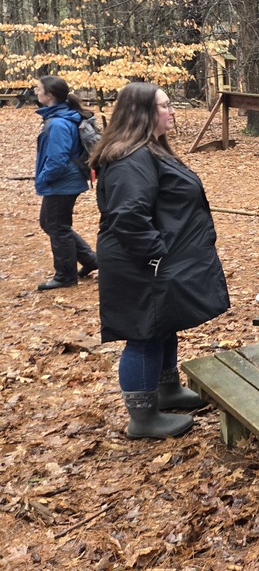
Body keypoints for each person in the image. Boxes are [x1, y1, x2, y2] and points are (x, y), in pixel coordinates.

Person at [91, 82, 230, 439]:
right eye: (165, 106)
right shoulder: (131, 158)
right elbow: (127, 215)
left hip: (154, 261)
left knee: (164, 324)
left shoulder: (150, 149)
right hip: (140, 264)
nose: (171, 111)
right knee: (145, 334)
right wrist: (156, 255)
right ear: (142, 113)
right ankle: (143, 416)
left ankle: (167, 389)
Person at [33, 75, 98, 290]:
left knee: (57, 226)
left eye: (38, 88)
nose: (35, 91)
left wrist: (44, 178)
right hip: (65, 180)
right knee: (51, 223)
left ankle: (65, 275)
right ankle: (90, 260)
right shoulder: (59, 116)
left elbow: (57, 160)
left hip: (63, 182)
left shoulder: (59, 122)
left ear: (49, 95)